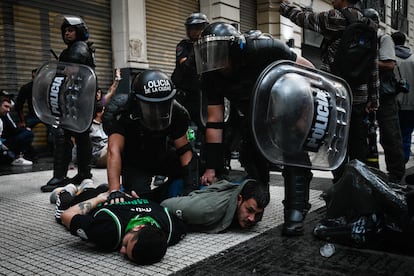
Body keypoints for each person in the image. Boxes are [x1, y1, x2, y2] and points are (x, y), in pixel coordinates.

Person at [193, 21, 315, 236]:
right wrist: (211, 167)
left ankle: (296, 208)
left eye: (218, 53)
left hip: (284, 108)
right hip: (253, 114)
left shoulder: (264, 48)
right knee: (250, 153)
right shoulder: (211, 75)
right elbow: (215, 121)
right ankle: (259, 200)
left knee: (294, 153)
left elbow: (308, 70)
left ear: (234, 50)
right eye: (208, 53)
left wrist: (305, 113)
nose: (213, 60)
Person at [280, 0, 379, 183]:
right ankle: (359, 189)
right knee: (358, 146)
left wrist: (284, 5)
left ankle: (341, 186)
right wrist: (374, 98)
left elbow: (303, 18)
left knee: (336, 144)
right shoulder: (369, 24)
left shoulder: (335, 18)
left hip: (336, 96)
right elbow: (373, 66)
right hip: (359, 98)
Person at [103, 69, 199, 201]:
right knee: (138, 199)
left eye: (163, 106)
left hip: (162, 153)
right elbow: (114, 150)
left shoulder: (178, 112)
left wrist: (190, 188)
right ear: (137, 101)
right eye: (151, 107)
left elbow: (184, 150)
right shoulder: (122, 110)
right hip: (135, 161)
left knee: (196, 171)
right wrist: (114, 190)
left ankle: (167, 192)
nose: (158, 112)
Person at [58, 185, 187, 265]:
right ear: (138, 227)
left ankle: (84, 187)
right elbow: (66, 215)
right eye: (126, 245)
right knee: (61, 212)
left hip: (118, 196)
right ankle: (65, 192)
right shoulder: (108, 231)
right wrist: (99, 198)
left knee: (94, 189)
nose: (121, 250)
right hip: (99, 197)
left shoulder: (172, 228)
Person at [41, 15, 96, 192]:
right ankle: (84, 174)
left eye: (71, 30)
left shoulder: (79, 48)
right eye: (65, 30)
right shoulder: (72, 49)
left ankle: (60, 176)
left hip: (79, 99)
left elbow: (70, 71)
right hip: (77, 99)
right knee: (81, 136)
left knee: (63, 134)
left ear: (79, 31)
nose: (67, 33)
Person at [363, 9, 405, 183]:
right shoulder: (363, 38)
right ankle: (373, 173)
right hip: (367, 93)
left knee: (390, 135)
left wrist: (366, 60)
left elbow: (389, 64)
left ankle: (395, 175)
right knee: (367, 136)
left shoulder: (383, 38)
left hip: (385, 96)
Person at [161, 179, 269, 233]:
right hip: (178, 189)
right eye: (249, 210)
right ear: (239, 199)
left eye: (257, 213)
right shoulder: (207, 210)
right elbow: (165, 205)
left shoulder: (254, 206)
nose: (252, 218)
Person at [171, 13, 209, 154]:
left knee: (204, 126)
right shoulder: (183, 46)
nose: (195, 32)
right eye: (192, 28)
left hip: (200, 94)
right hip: (183, 95)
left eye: (198, 28)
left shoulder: (209, 46)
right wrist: (196, 50)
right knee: (183, 125)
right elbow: (185, 65)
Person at [391, 31, 414, 164]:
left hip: (394, 104)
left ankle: (397, 162)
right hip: (411, 105)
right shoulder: (413, 59)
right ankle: (403, 159)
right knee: (406, 134)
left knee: (392, 135)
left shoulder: (389, 59)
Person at [0, 91, 34, 166]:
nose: (8, 110)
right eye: (5, 107)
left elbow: (12, 128)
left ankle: (17, 157)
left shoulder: (5, 116)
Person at [89, 102, 108, 168]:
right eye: (103, 110)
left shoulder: (104, 124)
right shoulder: (90, 127)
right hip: (97, 154)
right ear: (98, 113)